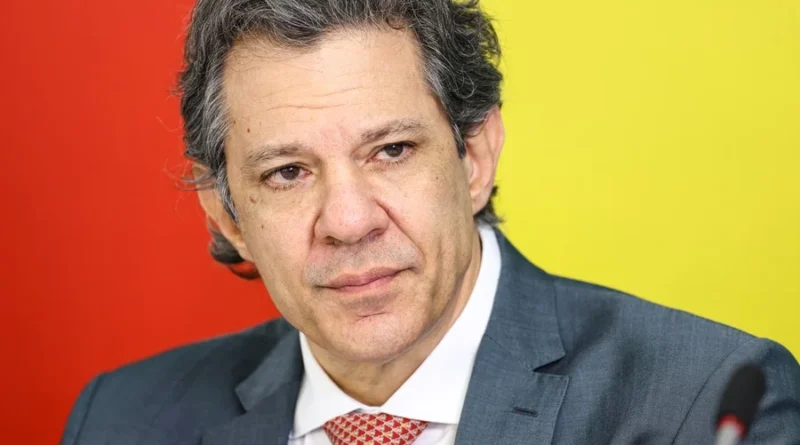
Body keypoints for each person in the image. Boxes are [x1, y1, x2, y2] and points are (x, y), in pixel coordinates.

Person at [60, 0, 800, 444]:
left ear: (474, 156)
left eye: (391, 151)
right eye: (288, 172)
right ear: (227, 214)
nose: (349, 220)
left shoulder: (700, 406)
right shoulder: (123, 421)